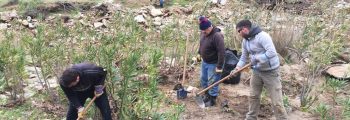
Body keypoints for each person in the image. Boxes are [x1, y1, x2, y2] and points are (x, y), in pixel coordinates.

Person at [232, 20, 287, 120]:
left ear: (244, 29)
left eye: (239, 31)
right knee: (253, 96)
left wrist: (258, 58)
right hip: (257, 71)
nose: (239, 34)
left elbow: (272, 52)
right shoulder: (245, 41)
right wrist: (237, 68)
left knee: (276, 101)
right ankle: (251, 117)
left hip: (271, 72)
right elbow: (244, 57)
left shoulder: (262, 36)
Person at [197, 16, 225, 107]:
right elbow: (201, 44)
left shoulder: (217, 36)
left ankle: (212, 99)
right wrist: (199, 54)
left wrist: (219, 66)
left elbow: (221, 52)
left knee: (212, 81)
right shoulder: (204, 32)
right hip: (205, 61)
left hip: (214, 63)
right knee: (203, 79)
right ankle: (207, 95)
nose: (204, 33)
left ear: (210, 27)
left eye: (205, 31)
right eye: (202, 31)